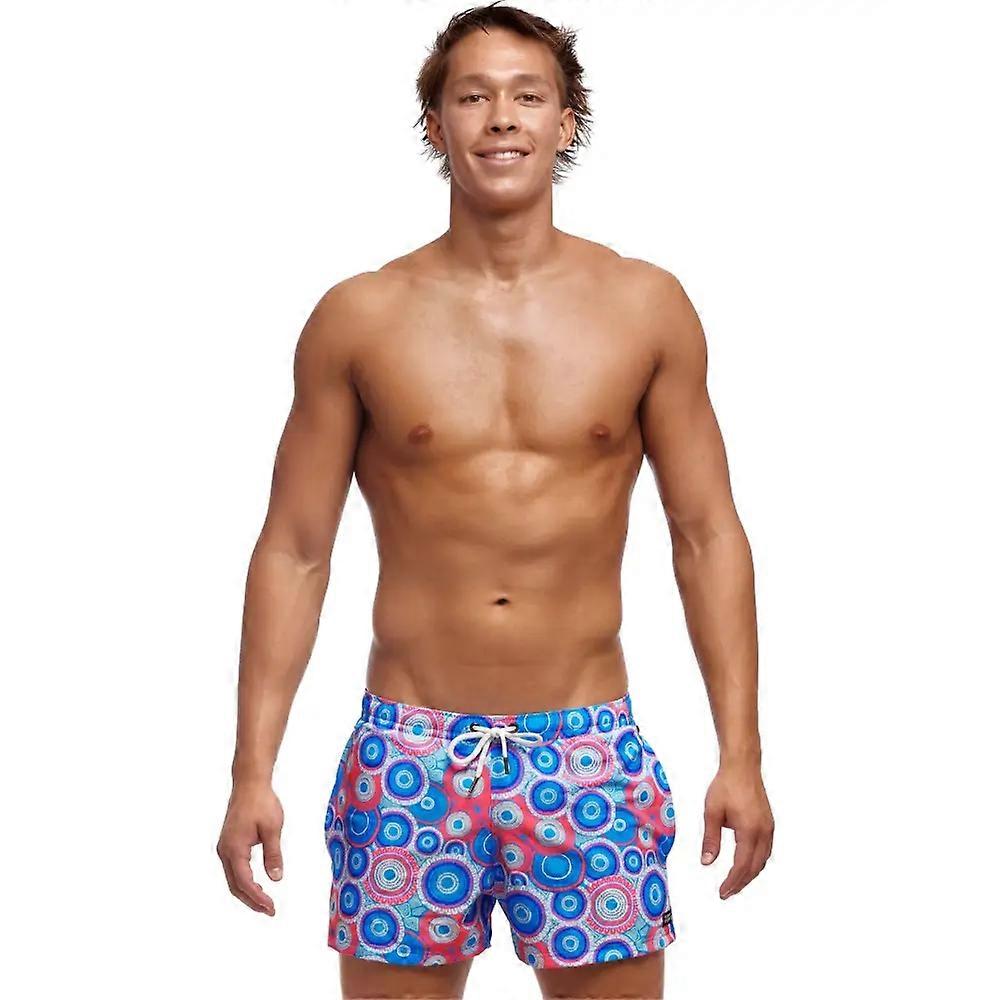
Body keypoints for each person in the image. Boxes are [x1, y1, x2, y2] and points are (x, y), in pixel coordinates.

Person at [216, 3, 774, 998]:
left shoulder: (645, 306)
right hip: (410, 748)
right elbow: (295, 549)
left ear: (566, 121)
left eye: (528, 96)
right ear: (436, 125)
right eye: (473, 97)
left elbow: (705, 534)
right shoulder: (359, 317)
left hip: (585, 748)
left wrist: (742, 754)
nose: (502, 118)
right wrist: (250, 769)